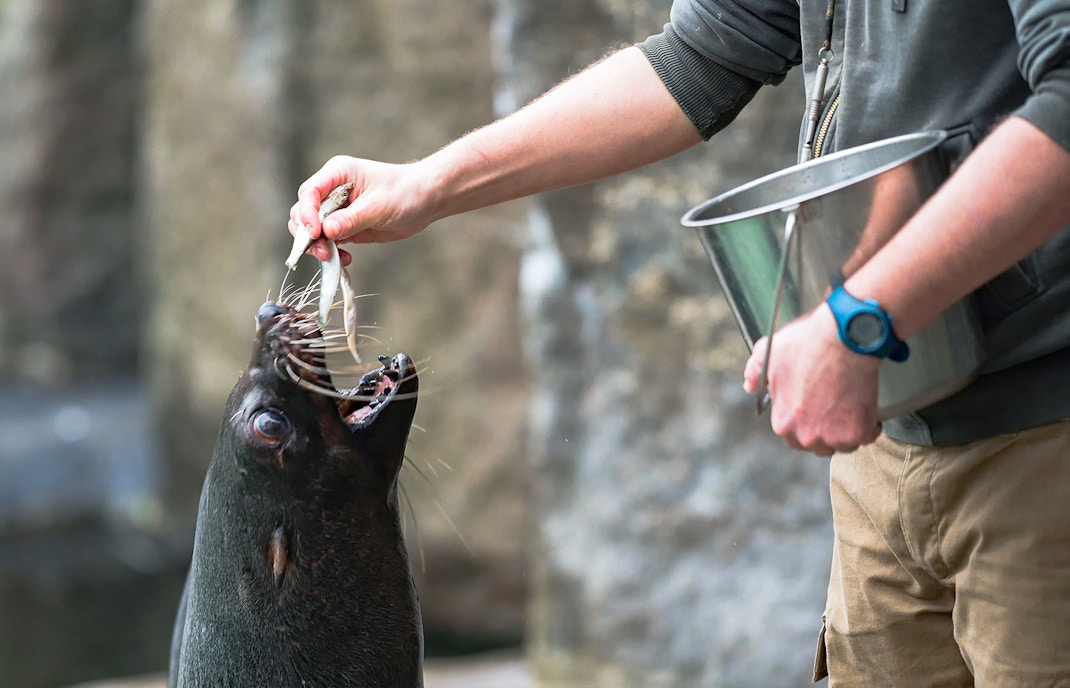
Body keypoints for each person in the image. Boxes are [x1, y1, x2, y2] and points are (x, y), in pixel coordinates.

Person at [290, 1, 1070, 685]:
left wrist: (860, 317)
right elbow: (706, 49)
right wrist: (431, 182)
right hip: (886, 442)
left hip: (1039, 439)